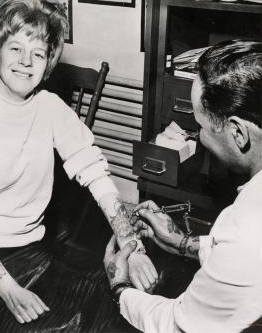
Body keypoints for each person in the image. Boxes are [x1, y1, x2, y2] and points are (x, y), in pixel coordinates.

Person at [0, 0, 157, 330]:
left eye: (38, 53)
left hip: (32, 247)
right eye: (16, 49)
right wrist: (6, 287)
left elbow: (95, 174)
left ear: (48, 62)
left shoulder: (51, 108)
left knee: (105, 304)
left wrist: (133, 246)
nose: (26, 61)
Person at [104, 39, 262, 333]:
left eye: (201, 126)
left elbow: (179, 323)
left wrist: (119, 288)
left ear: (238, 132)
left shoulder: (249, 228)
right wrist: (181, 243)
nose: (198, 137)